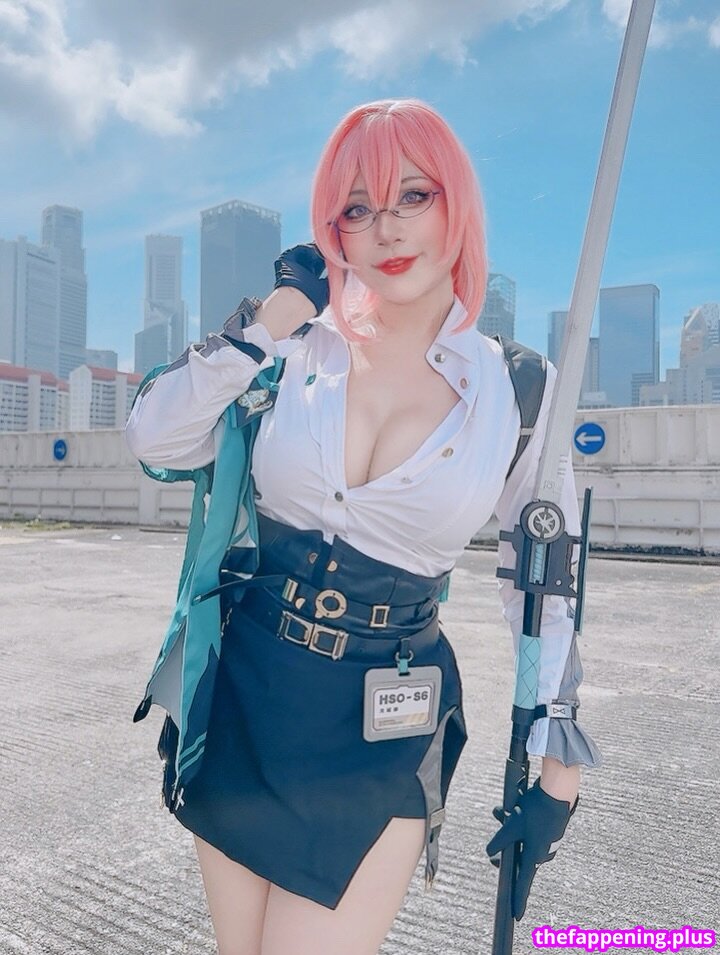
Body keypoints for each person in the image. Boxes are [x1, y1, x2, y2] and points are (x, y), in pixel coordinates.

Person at [125, 98, 601, 955]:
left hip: (384, 723)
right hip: (248, 689)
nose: (387, 229)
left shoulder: (519, 390)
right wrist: (273, 317)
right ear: (331, 230)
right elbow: (155, 435)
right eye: (357, 208)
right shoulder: (294, 351)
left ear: (456, 203)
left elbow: (545, 589)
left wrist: (557, 776)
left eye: (413, 195)